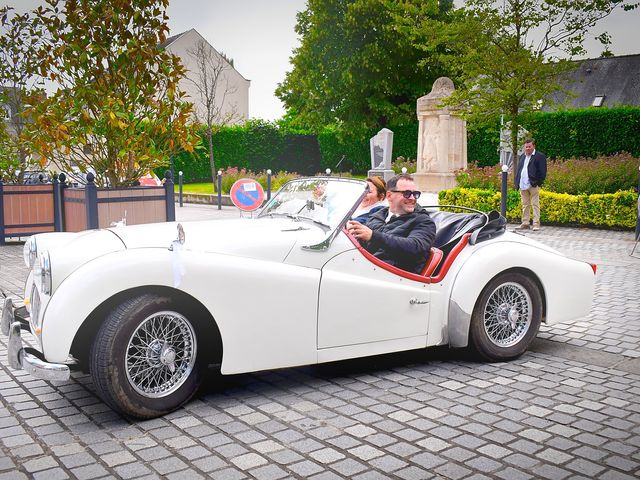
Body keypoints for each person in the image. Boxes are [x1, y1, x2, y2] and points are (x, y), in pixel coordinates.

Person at [347, 174, 436, 274]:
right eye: (406, 193)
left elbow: (415, 246)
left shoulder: (424, 221)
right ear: (389, 196)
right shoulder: (378, 215)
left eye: (415, 194)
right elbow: (364, 245)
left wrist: (373, 236)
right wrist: (353, 232)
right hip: (366, 269)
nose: (412, 198)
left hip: (396, 278)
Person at [515, 139, 547, 231]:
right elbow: (519, 170)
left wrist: (538, 183)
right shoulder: (522, 157)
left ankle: (536, 224)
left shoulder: (539, 156)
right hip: (523, 185)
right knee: (525, 205)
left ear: (533, 146)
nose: (528, 148)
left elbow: (543, 171)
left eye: (529, 146)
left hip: (533, 185)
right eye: (526, 147)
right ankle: (525, 223)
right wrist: (517, 182)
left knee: (535, 204)